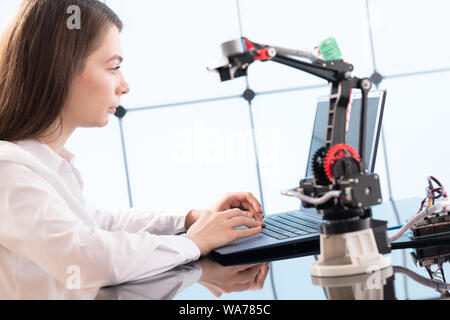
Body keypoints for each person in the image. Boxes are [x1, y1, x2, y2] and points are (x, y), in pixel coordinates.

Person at [0, 0, 264, 290]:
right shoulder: (8, 168)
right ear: (59, 69)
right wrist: (194, 242)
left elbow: (99, 223)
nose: (124, 86)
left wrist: (190, 220)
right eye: (113, 67)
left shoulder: (39, 163)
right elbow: (87, 257)